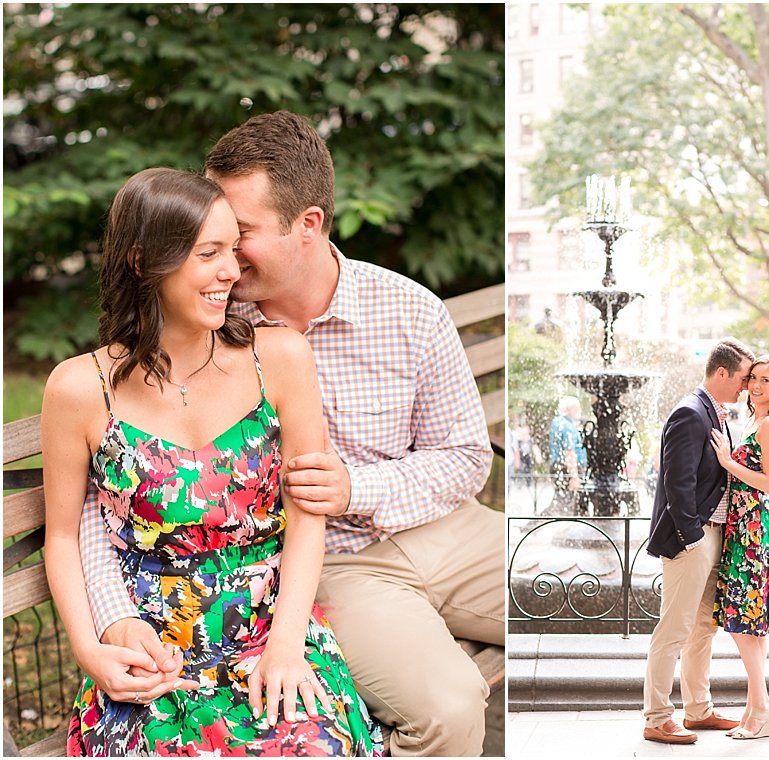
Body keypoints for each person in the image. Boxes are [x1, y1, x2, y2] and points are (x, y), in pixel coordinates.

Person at [78, 111, 502, 756]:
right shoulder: (204, 314)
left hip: (444, 527)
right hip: (331, 564)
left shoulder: (408, 308)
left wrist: (359, 485)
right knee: (449, 707)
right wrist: (111, 619)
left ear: (308, 225)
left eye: (239, 232)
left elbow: (468, 456)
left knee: (596, 604)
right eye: (208, 238)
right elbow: (108, 477)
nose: (222, 255)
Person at [43, 168, 380, 755]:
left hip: (270, 628)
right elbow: (65, 537)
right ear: (144, 262)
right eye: (209, 253)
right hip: (151, 649)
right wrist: (93, 651)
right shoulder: (79, 389)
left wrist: (287, 645)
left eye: (233, 249)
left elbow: (306, 517)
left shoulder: (277, 357)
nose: (232, 271)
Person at [642, 337, 755, 745]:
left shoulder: (718, 413)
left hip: (714, 535)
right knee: (673, 630)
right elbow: (677, 484)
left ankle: (698, 711)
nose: (746, 386)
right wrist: (692, 539)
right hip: (692, 539)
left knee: (703, 629)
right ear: (721, 373)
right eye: (742, 378)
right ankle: (656, 716)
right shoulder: (691, 413)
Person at [708, 354, 769, 740]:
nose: (756, 386)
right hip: (742, 524)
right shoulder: (753, 420)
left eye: (766, 381)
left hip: (754, 528)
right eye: (754, 378)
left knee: (744, 623)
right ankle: (754, 707)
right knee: (749, 624)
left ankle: (763, 706)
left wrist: (727, 462)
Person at [548, 395, 587, 513]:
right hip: (567, 468)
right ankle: (544, 525)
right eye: (577, 408)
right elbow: (569, 452)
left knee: (561, 498)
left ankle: (537, 524)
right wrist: (574, 476)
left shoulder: (557, 421)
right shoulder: (567, 426)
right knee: (565, 501)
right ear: (569, 409)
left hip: (558, 465)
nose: (579, 411)